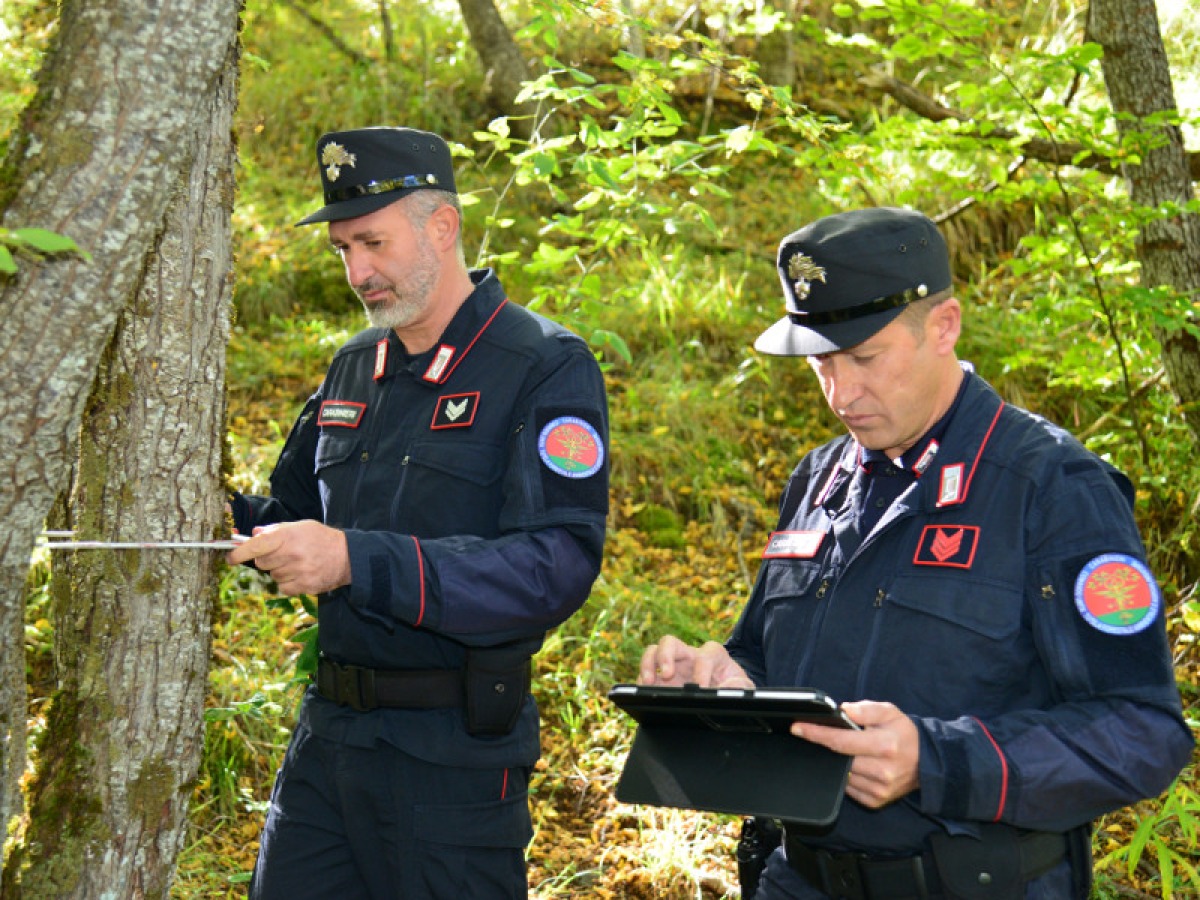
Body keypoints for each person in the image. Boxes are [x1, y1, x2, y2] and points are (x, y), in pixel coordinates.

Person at [638, 206, 1193, 899]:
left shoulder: (1052, 487)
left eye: (865, 359)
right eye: (821, 365)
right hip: (799, 878)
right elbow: (766, 662)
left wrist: (938, 760)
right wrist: (722, 684)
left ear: (944, 326)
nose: (841, 394)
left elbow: (1142, 732)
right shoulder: (818, 479)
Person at [227, 126, 609, 899]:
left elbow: (556, 567)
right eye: (341, 251)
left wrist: (356, 560)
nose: (357, 271)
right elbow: (292, 519)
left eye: (372, 242)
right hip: (328, 743)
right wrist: (216, 511)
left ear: (443, 226)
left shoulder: (541, 365)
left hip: (453, 764)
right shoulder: (352, 370)